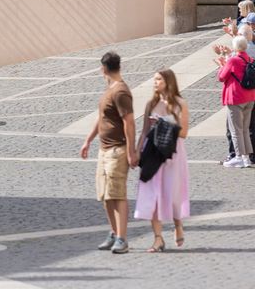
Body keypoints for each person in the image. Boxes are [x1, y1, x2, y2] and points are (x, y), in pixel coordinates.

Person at [80, 51, 137, 254]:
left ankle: (122, 238)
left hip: (117, 150)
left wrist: (131, 151)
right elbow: (102, 117)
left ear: (104, 68)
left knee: (118, 194)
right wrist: (88, 140)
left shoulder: (120, 91)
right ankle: (113, 233)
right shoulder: (110, 89)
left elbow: (129, 122)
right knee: (105, 195)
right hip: (104, 149)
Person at [134, 70, 190, 252]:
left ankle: (177, 224)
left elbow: (184, 133)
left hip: (173, 153)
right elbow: (144, 131)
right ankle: (158, 239)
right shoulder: (151, 104)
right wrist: (136, 152)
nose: (155, 82)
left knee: (172, 194)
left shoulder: (180, 104)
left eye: (158, 79)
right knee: (152, 195)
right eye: (154, 79)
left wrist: (163, 124)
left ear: (168, 81)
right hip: (152, 152)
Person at [218, 36, 255, 167]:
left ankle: (238, 156)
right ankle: (247, 158)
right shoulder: (250, 59)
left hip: (236, 98)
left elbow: (221, 77)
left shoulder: (233, 60)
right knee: (245, 129)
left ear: (235, 47)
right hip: (250, 97)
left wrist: (222, 65)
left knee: (236, 129)